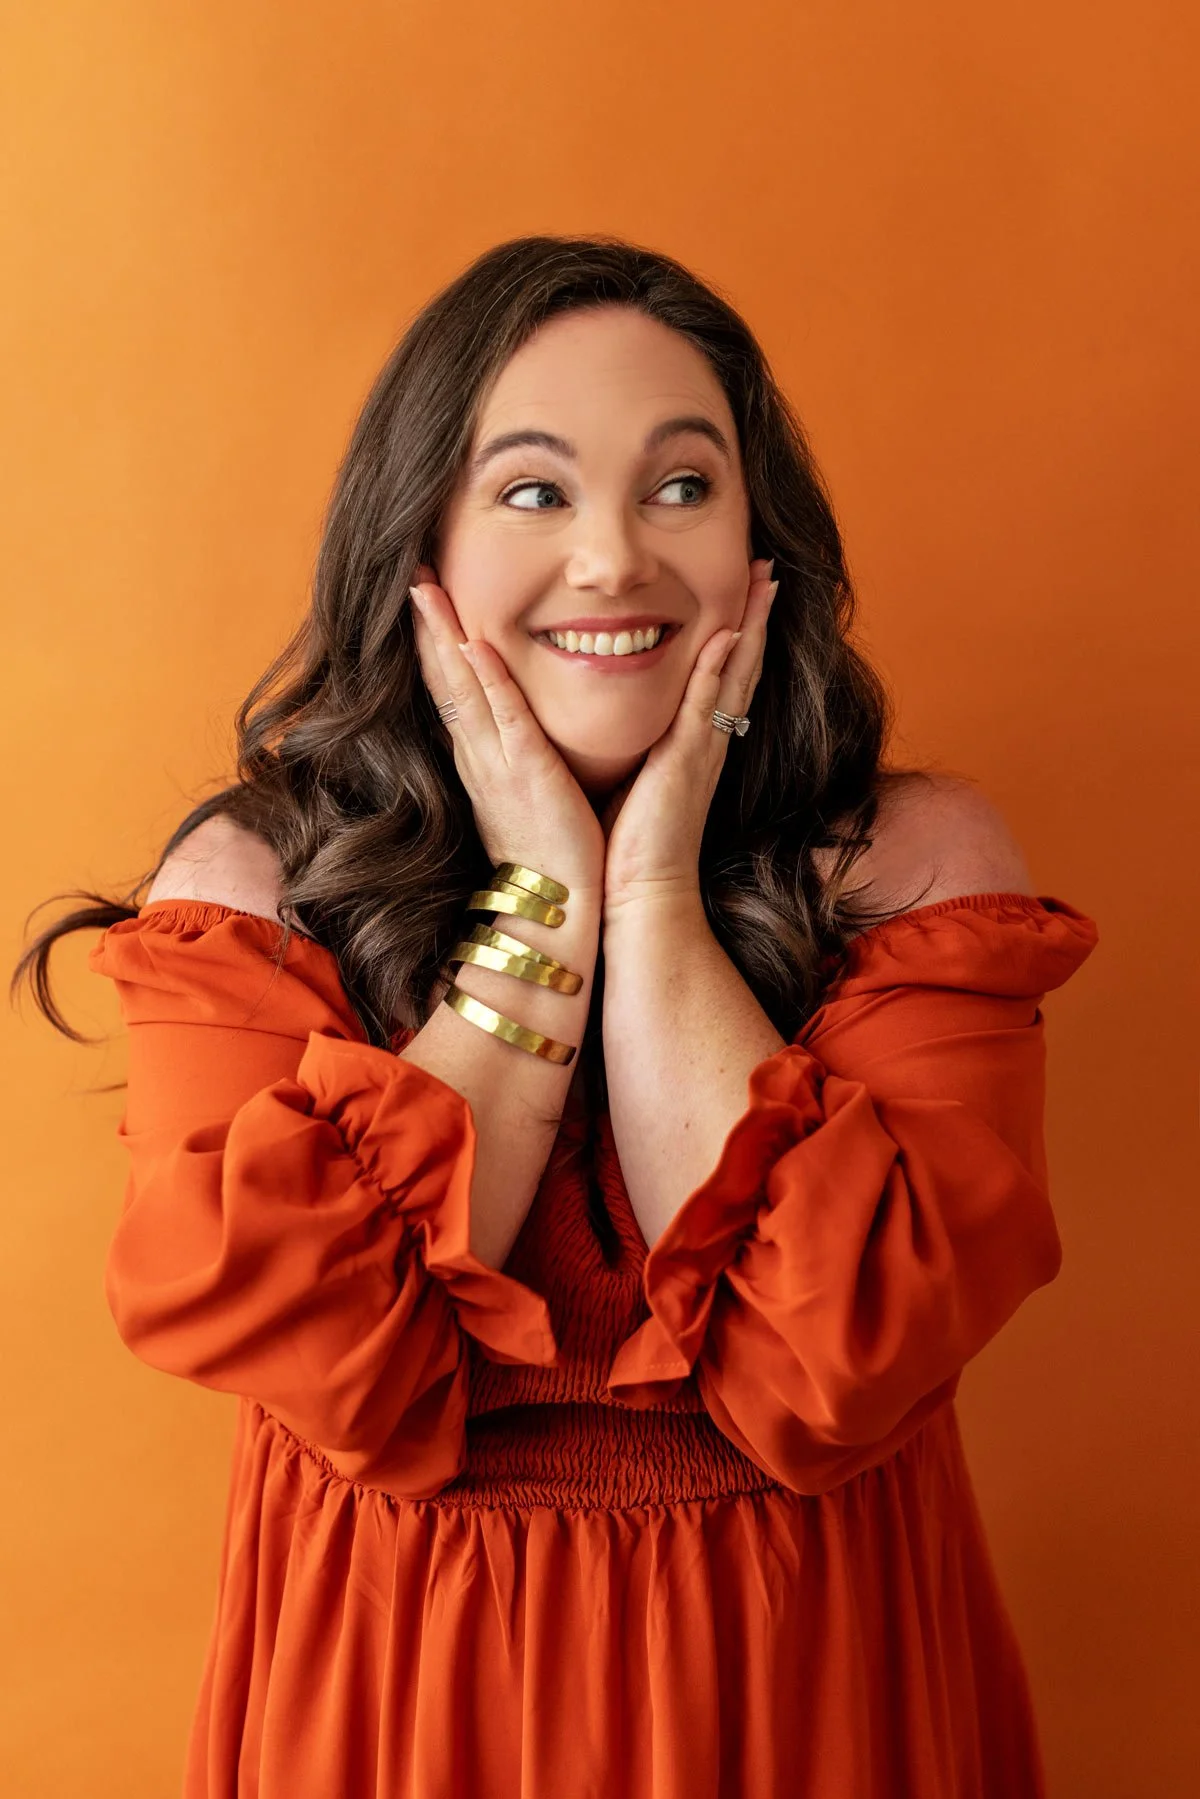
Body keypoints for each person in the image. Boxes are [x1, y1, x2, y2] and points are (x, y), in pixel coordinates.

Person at [14, 234, 1099, 1797]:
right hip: (397, 1711)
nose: (614, 559)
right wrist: (545, 900)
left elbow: (829, 1366)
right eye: (533, 491)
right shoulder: (258, 887)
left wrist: (648, 891)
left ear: (756, 540)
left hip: (812, 1705)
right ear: (423, 543)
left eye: (682, 486)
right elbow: (342, 1359)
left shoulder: (920, 867)